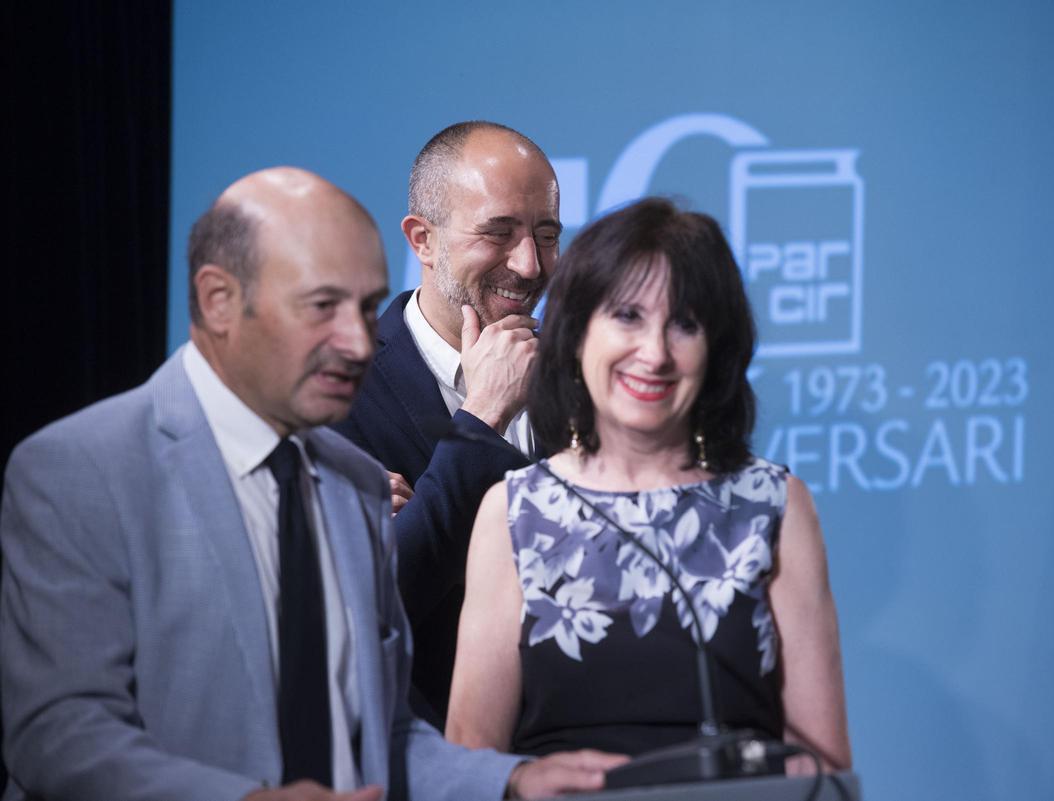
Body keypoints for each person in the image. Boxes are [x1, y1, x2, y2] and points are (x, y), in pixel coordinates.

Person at [0, 167, 623, 800]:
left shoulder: (349, 483)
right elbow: (59, 735)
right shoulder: (78, 468)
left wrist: (509, 779)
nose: (357, 341)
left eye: (363, 306)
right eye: (322, 306)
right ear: (218, 301)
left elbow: (383, 734)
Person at [444, 198, 853, 771]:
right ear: (578, 333)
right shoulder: (515, 511)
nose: (655, 354)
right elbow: (471, 766)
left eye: (685, 324)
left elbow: (821, 766)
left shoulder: (773, 505)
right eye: (629, 317)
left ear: (716, 350)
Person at [335, 121, 560, 728]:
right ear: (423, 239)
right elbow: (371, 609)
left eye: (546, 234)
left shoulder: (581, 378)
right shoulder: (339, 394)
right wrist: (482, 419)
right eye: (499, 232)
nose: (530, 264)